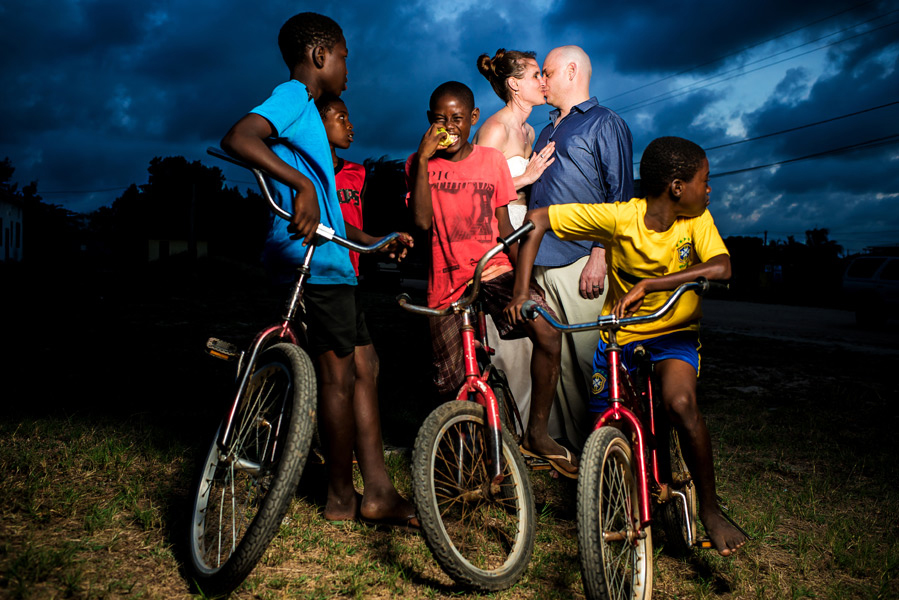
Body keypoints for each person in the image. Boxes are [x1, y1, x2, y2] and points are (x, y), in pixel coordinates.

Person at [220, 12, 417, 529]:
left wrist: (376, 244)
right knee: (336, 378)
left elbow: (335, 220)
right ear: (319, 56)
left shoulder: (306, 112)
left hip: (335, 262)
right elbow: (239, 137)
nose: (349, 67)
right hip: (312, 264)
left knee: (366, 368)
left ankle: (376, 489)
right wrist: (301, 187)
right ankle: (339, 496)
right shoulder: (291, 97)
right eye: (345, 55)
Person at [506, 136, 748, 556]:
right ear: (676, 186)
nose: (709, 190)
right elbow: (539, 218)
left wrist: (653, 284)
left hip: (673, 336)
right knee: (609, 429)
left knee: (680, 405)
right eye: (704, 181)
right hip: (621, 338)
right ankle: (627, 503)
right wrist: (521, 291)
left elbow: (722, 267)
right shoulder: (621, 218)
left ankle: (709, 507)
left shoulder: (697, 221)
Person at [406, 80, 575, 478]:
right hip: (447, 285)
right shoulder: (418, 163)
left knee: (549, 332)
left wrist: (523, 286)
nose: (448, 126)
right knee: (453, 384)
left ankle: (536, 433)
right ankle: (476, 467)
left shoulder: (491, 162)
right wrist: (423, 160)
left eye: (457, 119)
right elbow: (421, 223)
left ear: (473, 119)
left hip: (494, 271)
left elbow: (504, 230)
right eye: (439, 120)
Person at [528, 45, 635, 451]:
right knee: (563, 371)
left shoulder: (604, 123)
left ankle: (613, 456)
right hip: (543, 262)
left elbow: (620, 199)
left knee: (592, 365)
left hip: (581, 262)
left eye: (548, 73)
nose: (542, 81)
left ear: (572, 71)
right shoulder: (548, 128)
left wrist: (600, 254)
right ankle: (579, 456)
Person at [472, 49, 556, 434]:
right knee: (508, 332)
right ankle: (498, 430)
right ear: (514, 84)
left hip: (526, 232)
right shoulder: (495, 129)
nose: (543, 81)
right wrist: (526, 177)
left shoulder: (530, 131)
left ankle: (527, 428)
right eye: (536, 74)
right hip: (497, 232)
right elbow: (477, 192)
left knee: (530, 337)